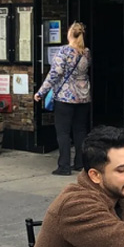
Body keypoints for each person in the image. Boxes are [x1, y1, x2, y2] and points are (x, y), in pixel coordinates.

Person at [34, 22, 91, 176]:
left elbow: (55, 74)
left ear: (70, 33)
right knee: (80, 131)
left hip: (65, 97)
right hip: (84, 97)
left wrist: (41, 92)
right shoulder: (86, 52)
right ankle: (80, 163)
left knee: (63, 133)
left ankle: (64, 166)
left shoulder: (64, 51)